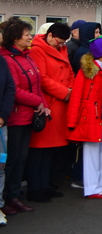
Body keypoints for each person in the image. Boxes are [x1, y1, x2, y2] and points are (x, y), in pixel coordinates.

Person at [1, 19, 46, 214]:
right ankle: (8, 197)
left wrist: (42, 103)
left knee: (21, 158)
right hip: (15, 117)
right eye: (27, 34)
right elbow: (14, 90)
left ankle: (15, 195)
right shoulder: (8, 60)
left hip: (28, 115)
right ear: (15, 37)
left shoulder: (27, 57)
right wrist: (38, 102)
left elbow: (37, 83)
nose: (30, 37)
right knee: (11, 159)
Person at [26, 22, 74, 203]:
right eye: (59, 41)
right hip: (47, 104)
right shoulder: (37, 50)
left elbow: (69, 72)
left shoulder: (61, 49)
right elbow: (42, 79)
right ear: (50, 35)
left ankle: (45, 184)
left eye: (63, 42)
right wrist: (65, 92)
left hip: (59, 103)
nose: (61, 45)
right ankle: (35, 187)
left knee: (50, 150)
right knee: (38, 150)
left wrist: (71, 89)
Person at [66, 35, 102, 199]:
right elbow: (77, 96)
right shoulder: (87, 71)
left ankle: (100, 184)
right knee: (92, 153)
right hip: (90, 116)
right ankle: (92, 186)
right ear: (101, 54)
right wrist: (72, 121)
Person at [0, 23, 16, 225]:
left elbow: (9, 88)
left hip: (1, 121)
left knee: (0, 166)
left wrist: (3, 115)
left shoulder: (2, 61)